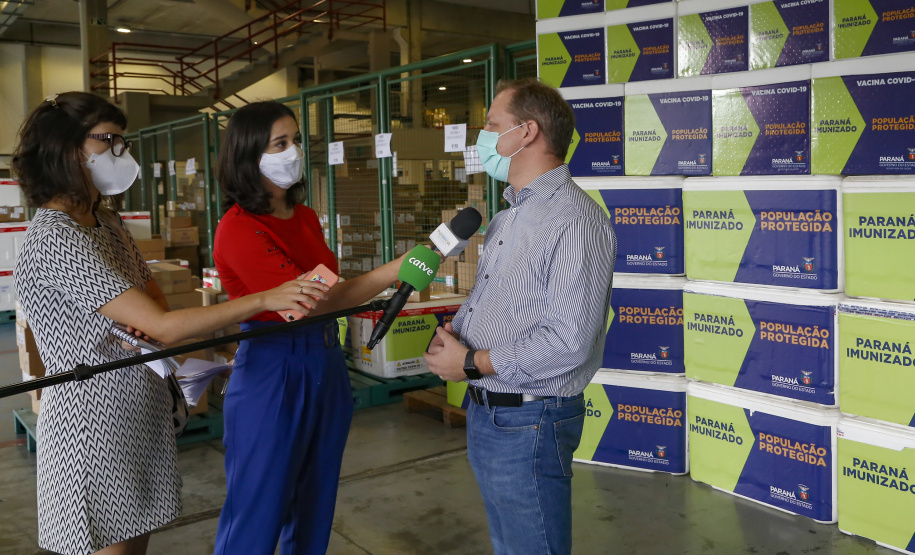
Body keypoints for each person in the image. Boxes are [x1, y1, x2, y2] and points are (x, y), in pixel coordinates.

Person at [11, 92, 325, 555]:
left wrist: (160, 325)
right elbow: (162, 324)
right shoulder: (54, 236)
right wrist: (265, 298)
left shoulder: (105, 221)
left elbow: (155, 303)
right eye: (110, 141)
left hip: (140, 412)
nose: (122, 152)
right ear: (66, 149)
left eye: (124, 141)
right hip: (93, 429)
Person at [424, 78, 617, 555]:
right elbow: (506, 301)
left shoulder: (576, 220)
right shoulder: (510, 215)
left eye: (491, 125)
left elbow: (569, 340)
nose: (483, 137)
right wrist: (457, 335)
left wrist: (470, 362)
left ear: (527, 132)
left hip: (530, 420)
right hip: (488, 412)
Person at [211, 100, 410, 554]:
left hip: (325, 361)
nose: (293, 151)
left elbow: (328, 291)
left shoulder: (303, 218)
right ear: (248, 155)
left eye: (295, 140)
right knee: (259, 507)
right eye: (280, 143)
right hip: (273, 371)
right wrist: (391, 270)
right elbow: (310, 303)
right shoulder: (239, 229)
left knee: (315, 503)